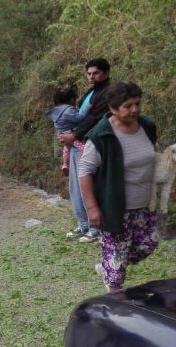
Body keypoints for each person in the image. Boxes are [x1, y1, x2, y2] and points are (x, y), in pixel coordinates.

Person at [79, 81, 158, 292]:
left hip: (144, 204)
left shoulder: (147, 126)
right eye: (128, 106)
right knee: (116, 270)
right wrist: (93, 208)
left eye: (137, 103)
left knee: (148, 243)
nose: (135, 109)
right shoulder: (101, 135)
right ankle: (113, 290)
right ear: (113, 109)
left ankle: (108, 264)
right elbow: (85, 171)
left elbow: (151, 156)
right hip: (114, 208)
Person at [59, 58, 112, 244]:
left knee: (87, 186)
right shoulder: (93, 91)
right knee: (75, 187)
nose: (91, 76)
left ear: (106, 73)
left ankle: (95, 229)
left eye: (95, 73)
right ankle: (83, 225)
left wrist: (74, 135)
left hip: (90, 144)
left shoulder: (107, 93)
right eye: (88, 73)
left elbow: (97, 118)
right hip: (76, 145)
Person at [47, 87, 88, 176]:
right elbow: (79, 118)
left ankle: (65, 164)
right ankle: (85, 161)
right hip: (71, 134)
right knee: (84, 148)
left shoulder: (56, 111)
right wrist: (87, 109)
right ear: (71, 99)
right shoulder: (68, 110)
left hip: (62, 134)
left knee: (66, 149)